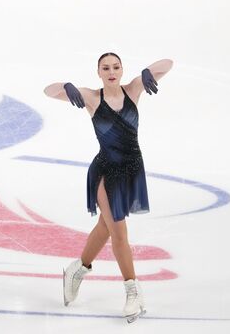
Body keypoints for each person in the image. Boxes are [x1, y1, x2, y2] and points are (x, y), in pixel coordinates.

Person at [43, 53, 173, 323]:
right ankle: (133, 290)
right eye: (106, 68)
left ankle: (76, 270)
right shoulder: (91, 97)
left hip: (132, 169)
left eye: (116, 67)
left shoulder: (135, 88)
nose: (112, 71)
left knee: (106, 227)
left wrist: (148, 71)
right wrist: (67, 86)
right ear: (98, 72)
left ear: (122, 69)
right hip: (105, 172)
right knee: (119, 233)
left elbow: (168, 64)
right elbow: (48, 91)